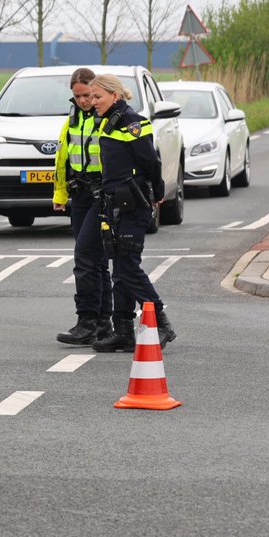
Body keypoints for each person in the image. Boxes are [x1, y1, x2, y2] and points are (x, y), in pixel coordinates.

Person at [85, 74, 176, 352]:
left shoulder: (133, 123)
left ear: (115, 95)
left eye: (98, 96)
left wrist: (157, 193)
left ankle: (161, 322)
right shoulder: (107, 123)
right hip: (113, 203)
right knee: (119, 268)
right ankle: (123, 330)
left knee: (127, 267)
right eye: (91, 97)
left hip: (132, 204)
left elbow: (150, 162)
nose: (93, 102)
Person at [53, 68, 112, 345]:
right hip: (80, 193)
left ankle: (87, 321)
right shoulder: (73, 118)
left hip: (102, 193)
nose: (83, 101)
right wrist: (60, 193)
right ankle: (103, 322)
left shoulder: (106, 116)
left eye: (87, 95)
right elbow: (63, 155)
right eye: (77, 96)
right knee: (95, 260)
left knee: (85, 257)